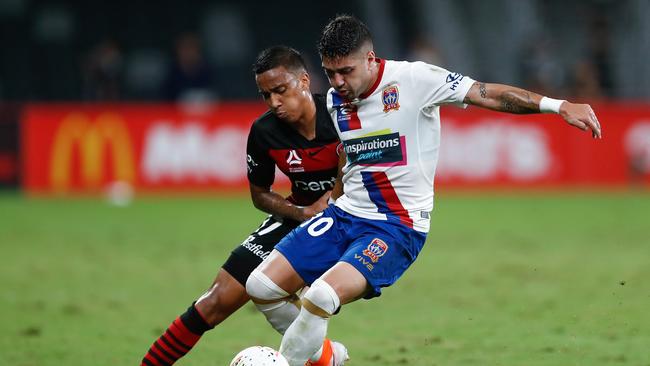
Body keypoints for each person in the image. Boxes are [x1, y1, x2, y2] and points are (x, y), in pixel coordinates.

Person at [245, 15, 602, 366]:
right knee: (261, 286)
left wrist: (558, 106)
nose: (337, 82)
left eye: (346, 72)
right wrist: (334, 198)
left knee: (321, 296)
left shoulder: (414, 79)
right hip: (345, 215)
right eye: (330, 73)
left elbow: (487, 94)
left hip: (396, 226)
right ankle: (326, 358)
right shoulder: (336, 100)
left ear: (370, 59)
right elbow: (349, 153)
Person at [140, 46, 348, 366]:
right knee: (213, 302)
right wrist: (301, 213)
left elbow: (365, 168)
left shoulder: (341, 117)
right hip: (298, 215)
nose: (274, 102)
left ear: (304, 81)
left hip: (349, 219)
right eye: (266, 95)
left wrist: (334, 198)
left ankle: (323, 357)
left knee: (298, 296)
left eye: (281, 90)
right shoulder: (264, 132)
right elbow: (259, 194)